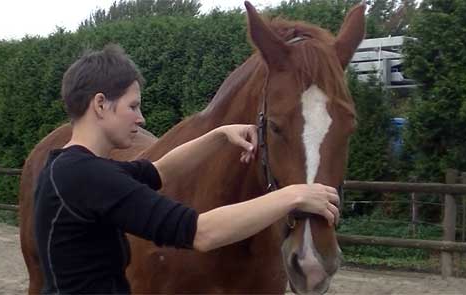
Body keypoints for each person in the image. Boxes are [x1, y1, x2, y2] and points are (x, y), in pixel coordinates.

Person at [32, 44, 340, 294]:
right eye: (133, 106)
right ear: (100, 104)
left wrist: (218, 136)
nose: (141, 119)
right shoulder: (88, 177)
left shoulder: (68, 167)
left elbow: (160, 171)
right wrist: (292, 196)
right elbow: (201, 232)